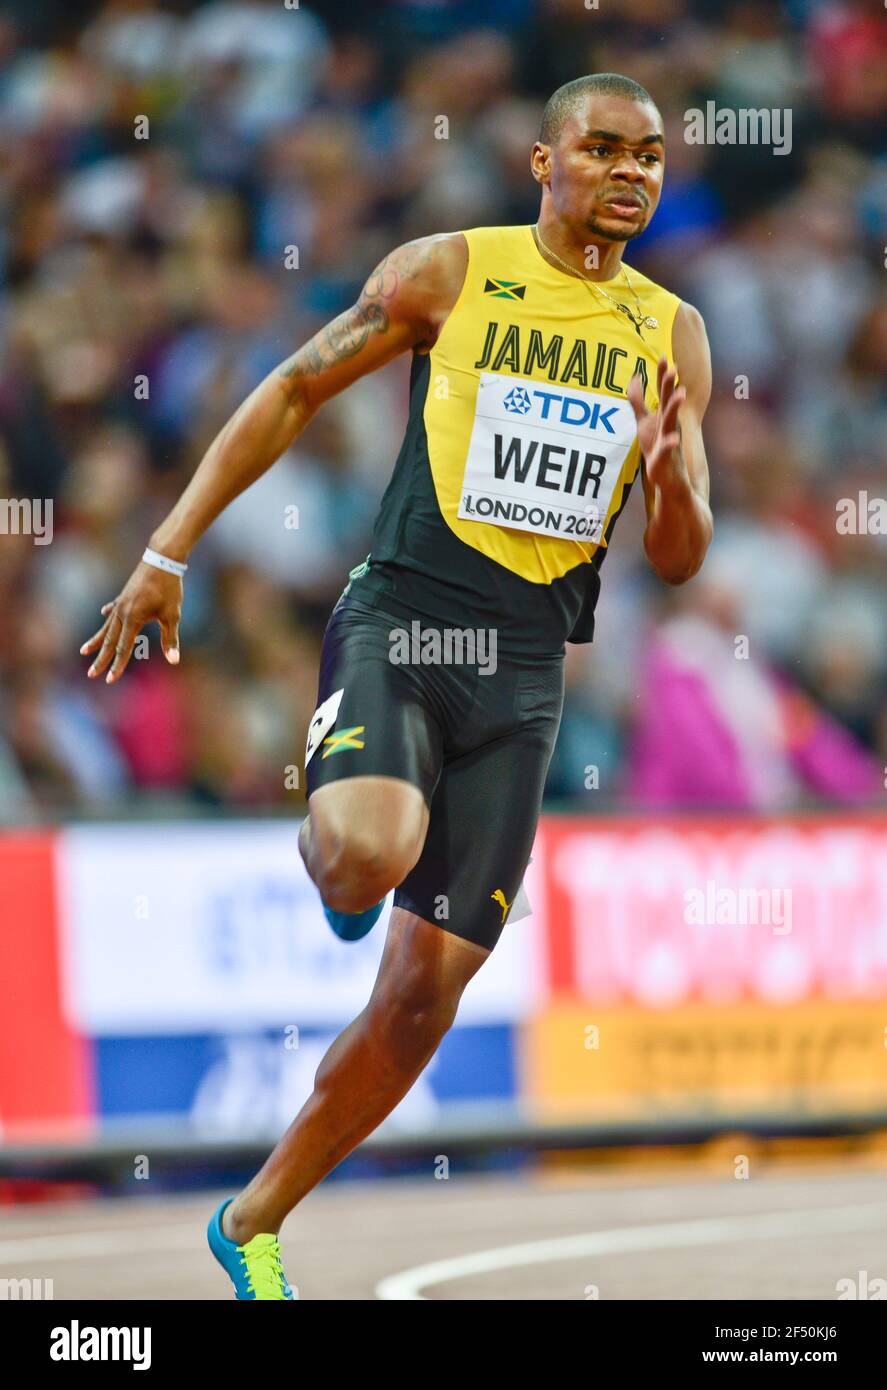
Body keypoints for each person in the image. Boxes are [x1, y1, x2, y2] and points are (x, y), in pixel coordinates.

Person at [80, 73, 713, 1299]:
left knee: (424, 995)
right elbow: (293, 387)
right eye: (601, 149)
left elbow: (681, 559)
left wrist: (669, 473)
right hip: (406, 626)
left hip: (526, 677)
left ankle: (251, 1221)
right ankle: (343, 870)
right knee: (371, 849)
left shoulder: (670, 329)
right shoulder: (450, 272)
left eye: (647, 155)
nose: (629, 172)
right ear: (543, 162)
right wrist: (166, 551)